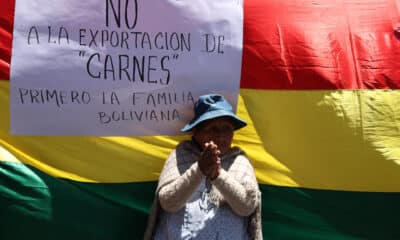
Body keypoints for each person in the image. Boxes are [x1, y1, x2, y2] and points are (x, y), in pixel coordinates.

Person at [144, 94, 262, 240]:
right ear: (196, 133)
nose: (221, 135)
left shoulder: (239, 160)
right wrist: (199, 169)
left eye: (226, 129)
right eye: (212, 129)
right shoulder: (181, 155)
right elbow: (168, 202)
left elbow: (247, 206)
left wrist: (217, 175)